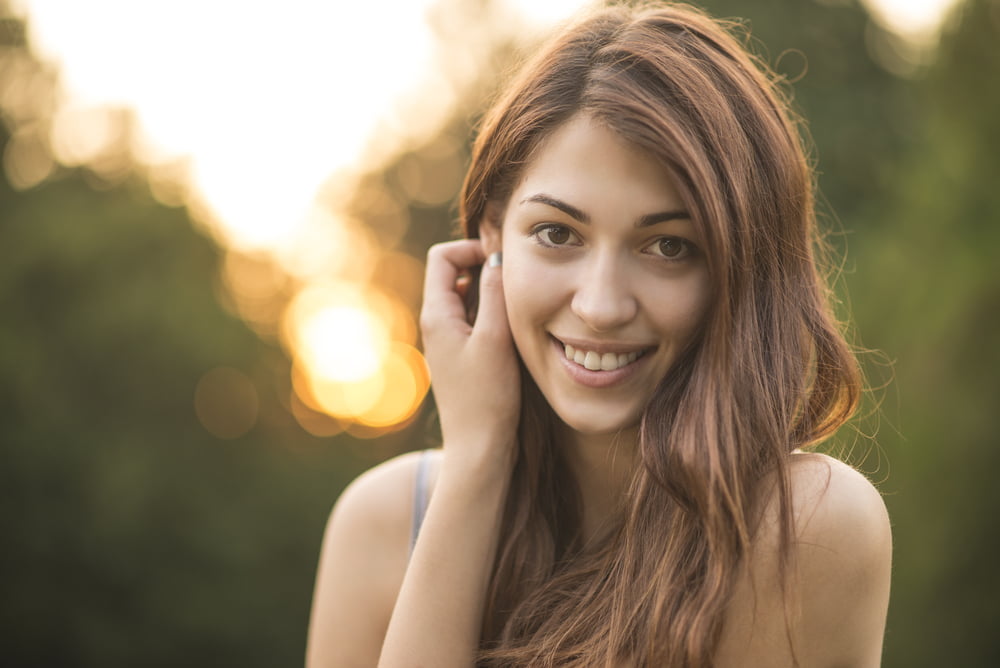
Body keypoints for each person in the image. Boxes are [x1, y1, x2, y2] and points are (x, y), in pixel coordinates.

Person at [305, 2, 892, 666]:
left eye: (669, 246)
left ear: (744, 268)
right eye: (557, 234)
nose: (602, 306)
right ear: (492, 240)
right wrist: (477, 458)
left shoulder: (808, 527)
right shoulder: (381, 522)